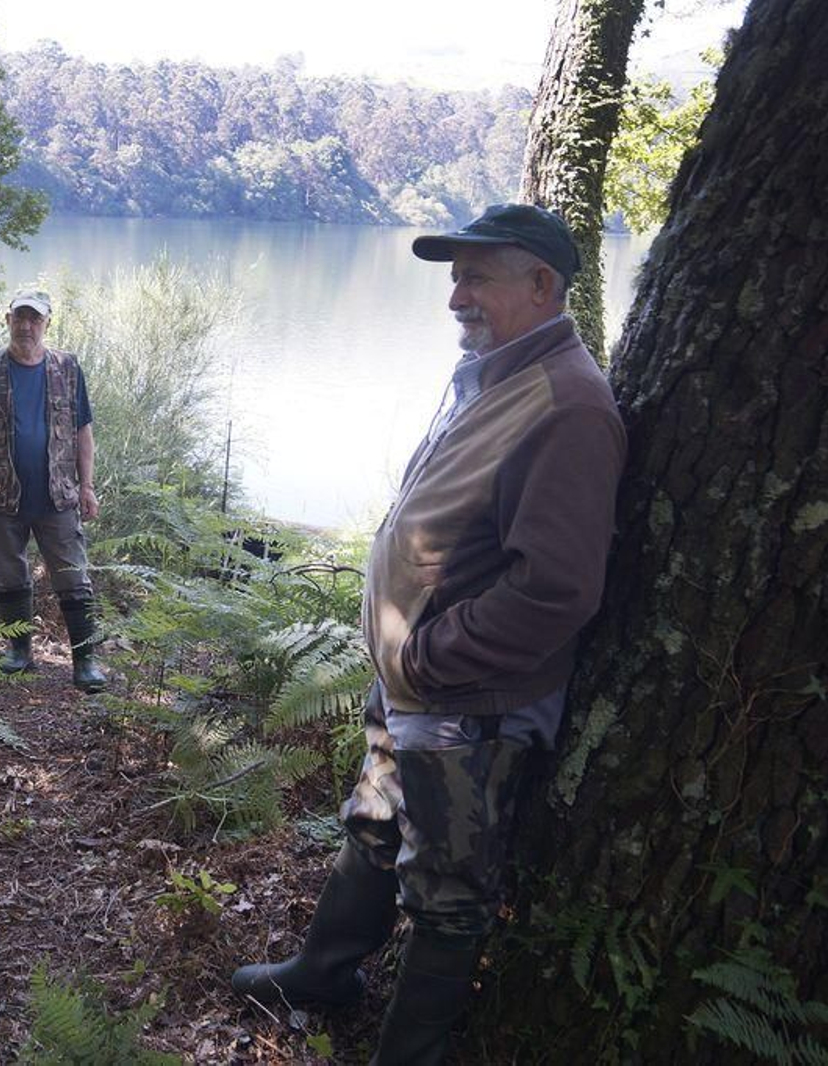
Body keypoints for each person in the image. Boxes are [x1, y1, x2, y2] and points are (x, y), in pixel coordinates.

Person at [230, 204, 626, 1064]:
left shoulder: (568, 407)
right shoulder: (496, 374)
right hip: (418, 684)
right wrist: (403, 654)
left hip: (468, 708)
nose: (456, 297)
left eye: (476, 277)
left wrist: (428, 656)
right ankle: (324, 974)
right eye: (455, 277)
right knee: (374, 826)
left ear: (542, 285)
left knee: (448, 898)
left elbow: (555, 590)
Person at [0, 287, 106, 692]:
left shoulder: (68, 369)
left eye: (34, 318)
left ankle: (85, 661)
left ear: (47, 323)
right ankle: (19, 652)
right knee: (9, 574)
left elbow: (83, 432)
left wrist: (87, 486)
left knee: (74, 576)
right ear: (7, 320)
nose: (26, 326)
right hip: (3, 495)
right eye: (19, 317)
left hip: (58, 495)